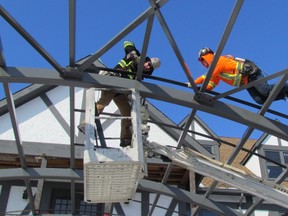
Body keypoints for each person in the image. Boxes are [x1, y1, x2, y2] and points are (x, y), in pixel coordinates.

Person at [78, 41, 161, 147]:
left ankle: (125, 140)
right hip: (113, 81)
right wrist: (132, 52)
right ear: (147, 61)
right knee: (103, 102)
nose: (148, 66)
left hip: (121, 91)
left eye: (151, 67)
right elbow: (127, 42)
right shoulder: (133, 58)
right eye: (149, 64)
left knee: (127, 112)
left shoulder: (139, 77)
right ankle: (85, 124)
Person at [190, 47, 288, 104]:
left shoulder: (218, 61)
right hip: (245, 82)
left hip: (251, 74)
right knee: (260, 100)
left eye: (203, 60)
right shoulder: (215, 72)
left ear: (207, 57)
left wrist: (194, 82)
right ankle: (284, 94)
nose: (203, 63)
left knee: (265, 91)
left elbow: (207, 76)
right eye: (201, 62)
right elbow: (211, 83)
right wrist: (202, 88)